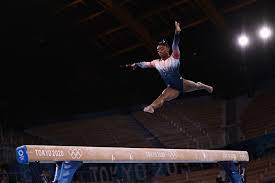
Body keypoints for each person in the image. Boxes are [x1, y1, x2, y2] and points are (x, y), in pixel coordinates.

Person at [127, 21, 213, 114]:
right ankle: (151, 107)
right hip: (172, 88)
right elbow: (145, 64)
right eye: (158, 50)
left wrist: (177, 33)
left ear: (167, 49)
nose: (159, 51)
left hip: (182, 83)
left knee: (197, 86)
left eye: (162, 49)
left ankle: (203, 85)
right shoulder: (156, 63)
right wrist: (136, 64)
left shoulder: (174, 57)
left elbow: (175, 44)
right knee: (162, 96)